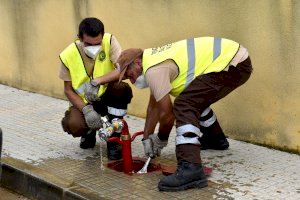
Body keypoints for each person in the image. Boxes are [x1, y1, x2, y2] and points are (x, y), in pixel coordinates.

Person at [116, 37, 252, 191]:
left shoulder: (154, 71)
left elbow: (167, 116)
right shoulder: (153, 62)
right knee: (193, 98)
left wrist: (161, 139)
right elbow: (154, 107)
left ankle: (191, 168)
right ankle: (216, 139)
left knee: (184, 104)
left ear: (138, 63)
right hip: (235, 59)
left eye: (128, 73)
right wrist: (147, 137)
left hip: (232, 63)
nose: (130, 79)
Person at [59, 17, 132, 160]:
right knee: (74, 124)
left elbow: (122, 70)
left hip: (107, 97)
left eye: (98, 44)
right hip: (84, 102)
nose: (94, 48)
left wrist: (97, 82)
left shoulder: (110, 41)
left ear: (102, 36)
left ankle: (114, 139)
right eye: (88, 44)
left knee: (121, 88)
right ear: (79, 38)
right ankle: (88, 132)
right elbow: (68, 90)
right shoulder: (68, 55)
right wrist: (86, 110)